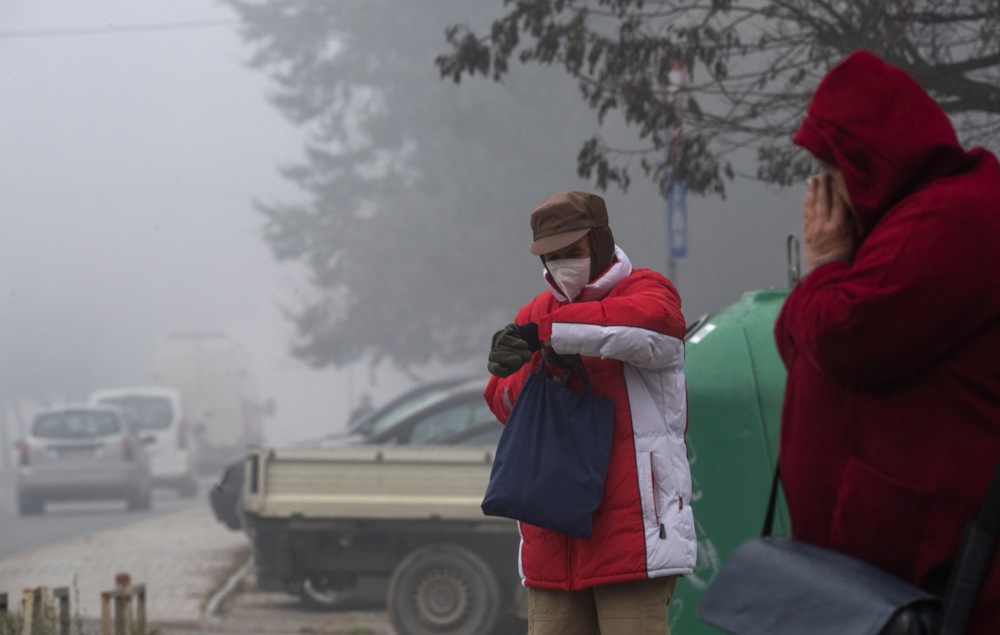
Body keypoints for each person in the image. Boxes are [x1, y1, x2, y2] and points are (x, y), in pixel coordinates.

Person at [775, 50, 1000, 633]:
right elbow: (795, 339)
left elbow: (843, 336)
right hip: (876, 574)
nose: (825, 191)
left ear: (872, 160)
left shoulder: (951, 218)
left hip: (928, 572)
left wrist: (824, 264)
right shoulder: (900, 226)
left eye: (834, 169)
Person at [484, 191, 695, 634]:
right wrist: (545, 370)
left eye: (573, 252)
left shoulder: (649, 291)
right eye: (552, 256)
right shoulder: (536, 313)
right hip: (551, 544)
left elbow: (645, 330)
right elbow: (504, 403)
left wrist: (550, 335)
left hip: (633, 541)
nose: (563, 265)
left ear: (599, 242)